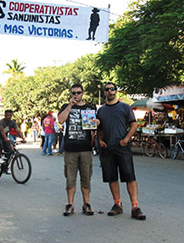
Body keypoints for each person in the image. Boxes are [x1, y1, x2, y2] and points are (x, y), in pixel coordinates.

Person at [97, 82, 146, 220]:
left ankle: (135, 207)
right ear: (105, 92)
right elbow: (99, 128)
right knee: (112, 178)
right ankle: (117, 204)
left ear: (116, 91)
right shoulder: (101, 111)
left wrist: (126, 139)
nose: (110, 91)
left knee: (130, 177)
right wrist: (100, 140)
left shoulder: (125, 107)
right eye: (107, 89)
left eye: (112, 89)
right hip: (107, 149)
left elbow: (134, 125)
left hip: (122, 148)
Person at [58, 83, 98, 216]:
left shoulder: (90, 107)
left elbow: (94, 127)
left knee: (86, 178)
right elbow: (60, 120)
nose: (76, 95)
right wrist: (70, 105)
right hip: (70, 149)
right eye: (73, 93)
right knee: (70, 178)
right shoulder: (65, 107)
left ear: (83, 93)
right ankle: (70, 204)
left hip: (85, 148)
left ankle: (86, 204)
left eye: (78, 92)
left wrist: (96, 123)